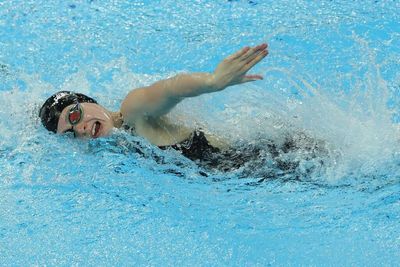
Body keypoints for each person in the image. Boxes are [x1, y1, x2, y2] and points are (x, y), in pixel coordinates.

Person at [39, 44, 270, 171]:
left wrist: (213, 82)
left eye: (75, 115)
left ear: (88, 101)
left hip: (263, 161)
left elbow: (170, 89)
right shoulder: (119, 146)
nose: (79, 129)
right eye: (70, 133)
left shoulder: (132, 111)